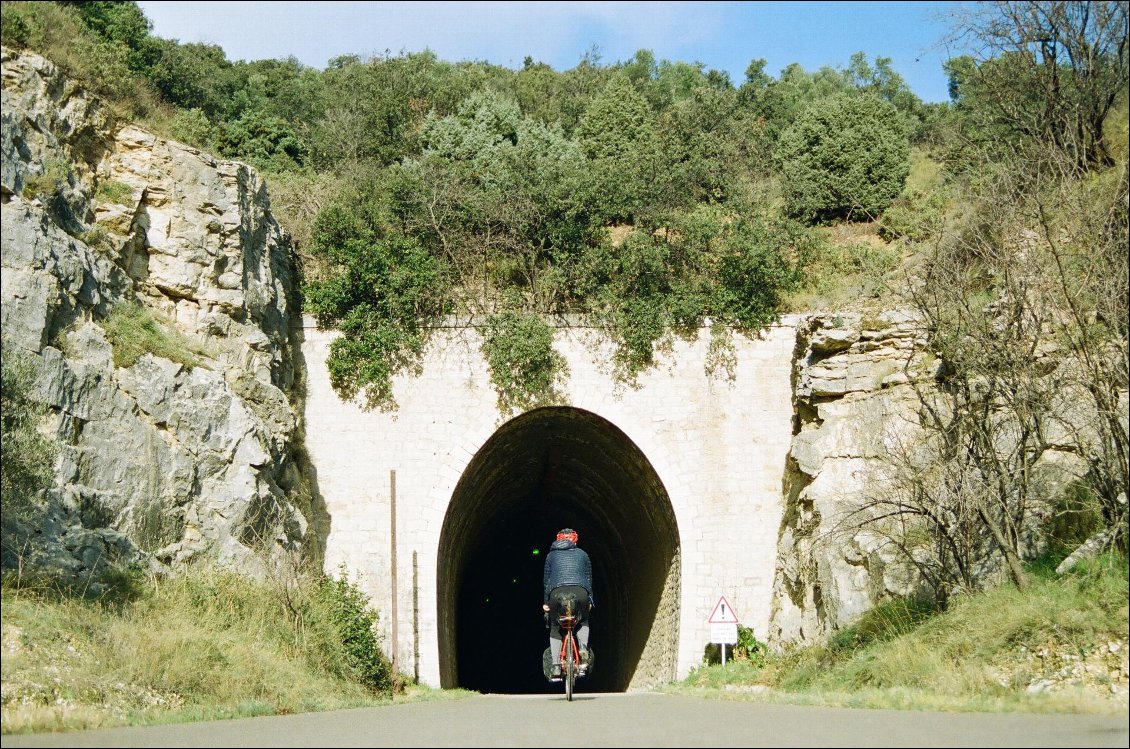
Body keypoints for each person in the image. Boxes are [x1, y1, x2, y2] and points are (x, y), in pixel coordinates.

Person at [542, 527, 593, 676]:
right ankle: (583, 649)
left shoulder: (551, 556)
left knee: (554, 625)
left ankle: (557, 666)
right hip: (580, 592)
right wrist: (589, 599)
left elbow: (546, 581)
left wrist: (546, 601)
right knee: (583, 621)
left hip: (556, 594)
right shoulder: (583, 554)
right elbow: (589, 579)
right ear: (575, 540)